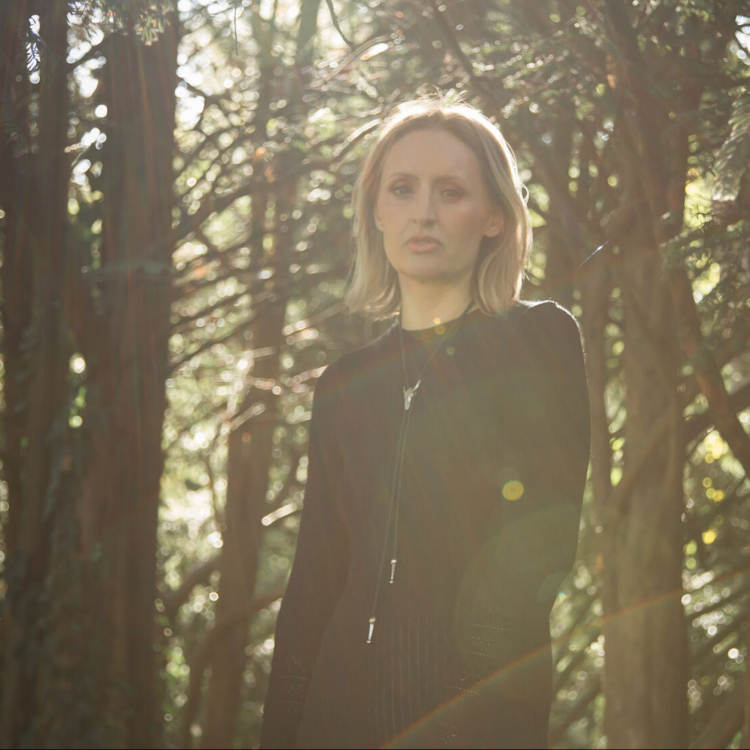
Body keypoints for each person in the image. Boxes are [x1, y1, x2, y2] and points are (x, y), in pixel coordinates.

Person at [259, 96, 592, 749]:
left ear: (495, 217)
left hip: (474, 719)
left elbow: (538, 548)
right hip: (335, 717)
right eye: (403, 189)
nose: (424, 212)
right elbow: (313, 586)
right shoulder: (345, 385)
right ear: (377, 212)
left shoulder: (538, 340)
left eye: (451, 191)